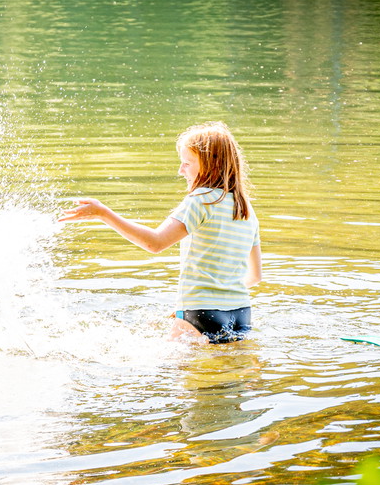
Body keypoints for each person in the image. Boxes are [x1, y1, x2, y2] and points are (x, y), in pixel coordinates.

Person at [59, 121, 262, 344]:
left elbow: (155, 243)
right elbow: (255, 276)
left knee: (166, 365)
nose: (180, 170)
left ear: (211, 165)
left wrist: (103, 213)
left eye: (187, 163)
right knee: (228, 367)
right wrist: (213, 300)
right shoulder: (245, 209)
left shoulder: (201, 200)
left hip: (201, 312)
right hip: (241, 313)